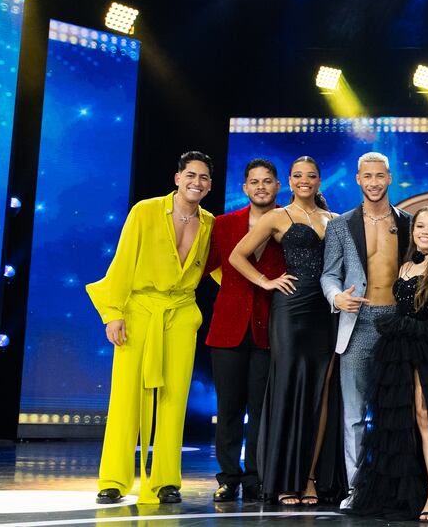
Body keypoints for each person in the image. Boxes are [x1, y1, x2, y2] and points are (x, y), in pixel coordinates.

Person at [88, 151, 216, 505]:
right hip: (140, 310)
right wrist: (113, 312)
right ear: (177, 178)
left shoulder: (209, 223)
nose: (197, 182)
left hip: (181, 313)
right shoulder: (145, 211)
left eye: (204, 177)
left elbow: (220, 268)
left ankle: (166, 481)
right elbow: (123, 261)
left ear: (209, 185)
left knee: (174, 400)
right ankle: (113, 480)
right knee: (126, 396)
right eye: (191, 175)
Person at [346, 207, 428, 521]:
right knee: (400, 419)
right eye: (420, 226)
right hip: (398, 347)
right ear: (413, 230)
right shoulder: (405, 265)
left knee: (425, 415)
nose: (425, 232)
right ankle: (406, 492)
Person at [229, 156, 345, 505]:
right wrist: (266, 281)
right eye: (297, 175)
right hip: (291, 310)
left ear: (319, 180)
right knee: (289, 387)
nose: (304, 180)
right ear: (289, 182)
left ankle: (309, 478)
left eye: (311, 175)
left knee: (321, 392)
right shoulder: (277, 217)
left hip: (326, 311)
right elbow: (237, 255)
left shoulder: (335, 220)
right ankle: (283, 479)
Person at [320, 151, 413, 510]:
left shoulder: (407, 223)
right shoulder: (340, 225)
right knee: (355, 414)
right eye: (367, 176)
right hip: (357, 322)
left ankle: (396, 487)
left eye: (379, 176)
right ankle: (356, 489)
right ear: (358, 179)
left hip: (396, 323)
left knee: (397, 411)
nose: (374, 182)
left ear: (389, 178)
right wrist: (336, 297)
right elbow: (329, 273)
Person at [204, 158, 285, 503]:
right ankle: (228, 477)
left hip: (271, 329)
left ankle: (255, 477)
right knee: (229, 408)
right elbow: (203, 266)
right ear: (245, 188)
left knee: (261, 409)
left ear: (278, 186)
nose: (261, 187)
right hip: (228, 328)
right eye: (254, 182)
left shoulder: (290, 222)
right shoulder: (224, 224)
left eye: (267, 181)